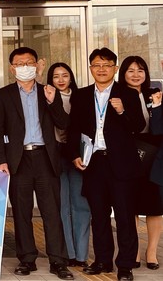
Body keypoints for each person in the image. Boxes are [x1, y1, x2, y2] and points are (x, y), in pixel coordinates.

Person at [0, 47, 73, 280]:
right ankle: (27, 258)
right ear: (12, 68)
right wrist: (1, 160)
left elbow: (63, 123)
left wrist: (52, 101)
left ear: (37, 65)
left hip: (45, 157)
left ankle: (58, 260)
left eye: (29, 62)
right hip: (19, 160)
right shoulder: (4, 94)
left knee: (51, 212)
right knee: (21, 212)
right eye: (19, 63)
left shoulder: (48, 91)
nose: (24, 67)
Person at [68, 48, 146, 281]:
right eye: (97, 65)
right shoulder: (81, 95)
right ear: (90, 68)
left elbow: (138, 126)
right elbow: (73, 129)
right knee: (99, 215)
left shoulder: (128, 93)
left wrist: (122, 112)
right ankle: (102, 261)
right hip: (94, 163)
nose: (101, 69)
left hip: (121, 164)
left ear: (115, 68)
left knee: (124, 217)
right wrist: (74, 154)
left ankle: (125, 265)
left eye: (107, 65)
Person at [117, 56, 162, 270]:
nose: (136, 75)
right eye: (131, 70)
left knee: (155, 207)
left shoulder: (155, 93)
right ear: (123, 73)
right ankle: (132, 251)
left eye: (140, 70)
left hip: (155, 158)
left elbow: (159, 128)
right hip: (129, 155)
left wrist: (158, 106)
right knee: (130, 205)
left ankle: (151, 251)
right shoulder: (118, 95)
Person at [46, 62, 89, 268]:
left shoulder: (81, 97)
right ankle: (68, 253)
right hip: (55, 154)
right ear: (50, 80)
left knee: (81, 204)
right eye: (56, 76)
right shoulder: (46, 98)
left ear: (71, 77)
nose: (61, 80)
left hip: (78, 155)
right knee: (61, 205)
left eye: (65, 75)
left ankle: (81, 253)